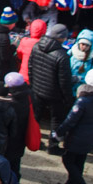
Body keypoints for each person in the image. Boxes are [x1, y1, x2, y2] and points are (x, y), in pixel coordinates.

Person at [28, 22, 73, 155]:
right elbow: (64, 81)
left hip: (37, 89)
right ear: (62, 38)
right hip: (54, 94)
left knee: (36, 117)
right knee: (56, 120)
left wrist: (33, 84)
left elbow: (30, 68)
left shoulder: (37, 46)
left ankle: (32, 140)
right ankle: (53, 145)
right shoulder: (62, 56)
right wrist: (68, 99)